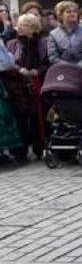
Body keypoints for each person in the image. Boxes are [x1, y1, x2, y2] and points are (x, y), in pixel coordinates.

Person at [2, 13, 48, 160]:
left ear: (33, 28)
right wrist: (19, 69)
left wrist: (37, 71)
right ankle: (20, 151)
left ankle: (39, 147)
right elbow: (7, 62)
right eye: (19, 24)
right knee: (20, 118)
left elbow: (47, 63)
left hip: (36, 84)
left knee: (36, 117)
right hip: (16, 86)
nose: (20, 27)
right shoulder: (12, 44)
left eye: (24, 25)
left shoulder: (42, 43)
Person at [47, 1, 82, 68]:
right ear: (60, 15)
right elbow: (53, 57)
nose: (72, 14)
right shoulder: (53, 34)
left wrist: (81, 65)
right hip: (63, 69)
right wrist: (69, 67)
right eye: (68, 12)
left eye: (74, 12)